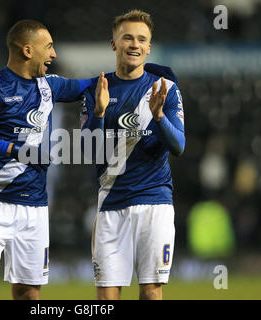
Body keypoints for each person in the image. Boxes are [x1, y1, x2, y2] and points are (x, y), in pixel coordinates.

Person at [0, 19, 94, 300]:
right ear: (28, 50)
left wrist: (142, 72)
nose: (54, 55)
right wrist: (14, 150)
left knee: (29, 296)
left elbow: (92, 84)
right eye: (49, 47)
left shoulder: (50, 87)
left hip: (34, 210)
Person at [80, 10, 185, 300]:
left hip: (154, 203)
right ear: (114, 43)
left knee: (151, 292)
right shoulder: (96, 90)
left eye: (142, 39)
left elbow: (178, 147)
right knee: (106, 297)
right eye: (127, 37)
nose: (134, 44)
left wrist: (159, 116)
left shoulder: (166, 89)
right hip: (110, 204)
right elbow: (87, 151)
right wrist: (99, 113)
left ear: (149, 47)